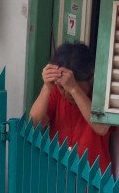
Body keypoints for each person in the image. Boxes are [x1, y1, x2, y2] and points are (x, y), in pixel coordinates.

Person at [29, 42, 112, 172]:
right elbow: (33, 123)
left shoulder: (100, 96)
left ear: (90, 79)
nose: (66, 93)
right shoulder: (55, 92)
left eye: (74, 86)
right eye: (62, 87)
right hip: (58, 176)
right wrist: (47, 86)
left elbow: (102, 127)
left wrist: (74, 89)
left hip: (92, 180)